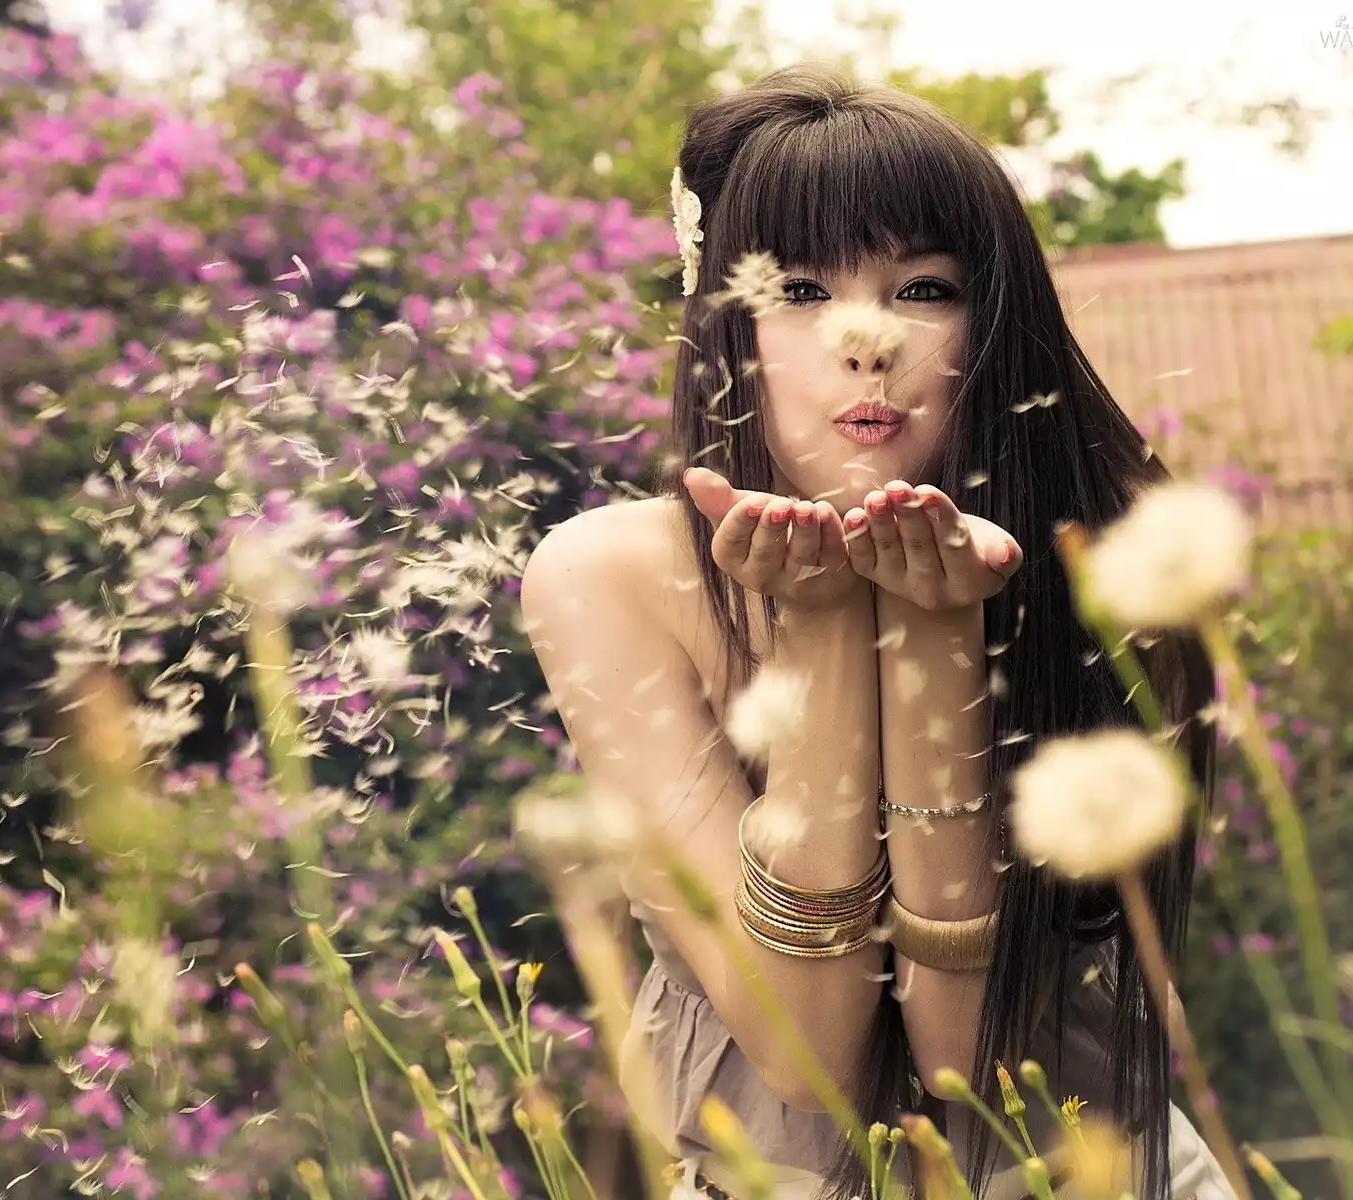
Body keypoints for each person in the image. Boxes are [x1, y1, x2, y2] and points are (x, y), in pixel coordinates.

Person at [519, 63, 1238, 1199]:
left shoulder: (1102, 550)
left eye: (923, 287)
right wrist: (818, 642)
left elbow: (968, 1071)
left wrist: (936, 639)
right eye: (800, 289)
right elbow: (809, 1053)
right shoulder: (610, 575)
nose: (869, 341)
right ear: (731, 329)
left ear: (990, 322)